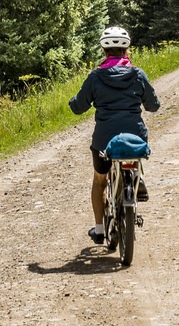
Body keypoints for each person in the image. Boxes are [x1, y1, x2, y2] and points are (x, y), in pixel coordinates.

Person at [68, 25, 159, 245]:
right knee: (134, 152)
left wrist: (74, 102)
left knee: (100, 180)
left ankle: (99, 230)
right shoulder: (138, 75)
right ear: (127, 50)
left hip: (104, 139)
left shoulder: (95, 77)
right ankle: (137, 180)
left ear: (104, 51)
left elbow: (78, 107)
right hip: (134, 135)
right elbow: (153, 106)